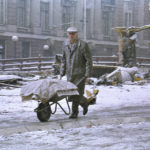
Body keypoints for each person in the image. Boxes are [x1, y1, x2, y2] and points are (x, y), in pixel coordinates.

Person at [60, 27, 93, 119]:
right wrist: (62, 71)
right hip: (69, 74)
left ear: (77, 34)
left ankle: (74, 113)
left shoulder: (83, 45)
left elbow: (88, 60)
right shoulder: (65, 44)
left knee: (76, 93)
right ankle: (84, 102)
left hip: (80, 74)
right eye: (70, 33)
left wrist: (87, 74)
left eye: (73, 33)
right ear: (67, 34)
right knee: (70, 93)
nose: (71, 35)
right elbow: (63, 59)